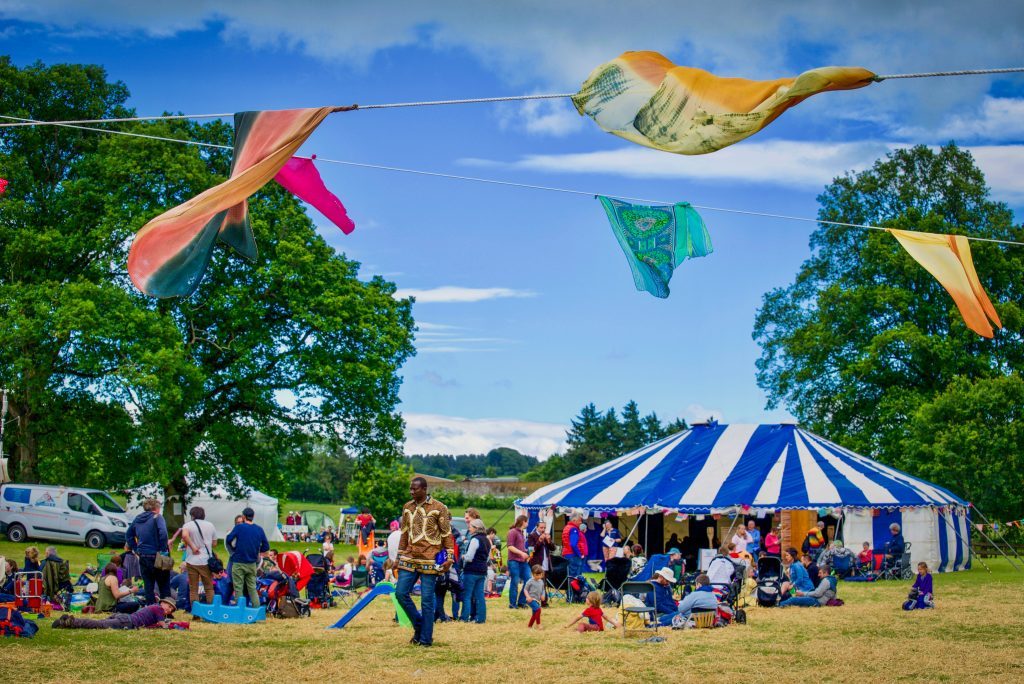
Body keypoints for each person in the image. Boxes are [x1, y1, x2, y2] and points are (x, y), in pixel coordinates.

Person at [396, 476, 454, 647]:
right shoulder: (407, 507)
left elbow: (446, 535)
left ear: (425, 489)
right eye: (410, 489)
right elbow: (404, 533)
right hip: (410, 556)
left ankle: (425, 639)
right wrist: (398, 556)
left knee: (427, 600)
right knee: (400, 593)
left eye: (415, 489)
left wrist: (449, 558)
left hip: (430, 558)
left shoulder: (439, 508)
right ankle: (419, 625)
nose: (412, 492)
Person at [127, 497, 171, 605]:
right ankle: (166, 610)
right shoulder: (157, 517)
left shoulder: (137, 519)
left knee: (148, 584)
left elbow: (128, 535)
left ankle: (151, 609)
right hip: (158, 554)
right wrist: (162, 548)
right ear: (156, 508)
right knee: (164, 583)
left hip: (143, 555)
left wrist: (136, 548)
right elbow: (163, 533)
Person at [226, 506, 269, 608]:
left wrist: (234, 548)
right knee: (252, 588)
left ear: (244, 516)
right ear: (253, 517)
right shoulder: (259, 529)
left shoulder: (239, 527)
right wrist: (258, 551)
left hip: (239, 562)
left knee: (238, 587)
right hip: (252, 564)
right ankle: (256, 609)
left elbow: (228, 539)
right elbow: (266, 546)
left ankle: (240, 609)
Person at [180, 506, 217, 618]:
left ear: (192, 515)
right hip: (206, 560)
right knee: (209, 588)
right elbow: (214, 543)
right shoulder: (210, 525)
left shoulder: (187, 525)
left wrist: (193, 546)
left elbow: (184, 535)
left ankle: (196, 613)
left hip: (192, 560)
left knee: (193, 589)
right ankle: (211, 612)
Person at [54, 597, 175, 630]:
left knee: (100, 623)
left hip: (124, 617)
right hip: (127, 621)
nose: (169, 610)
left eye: (171, 609)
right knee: (99, 625)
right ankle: (71, 622)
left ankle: (69, 620)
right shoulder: (159, 609)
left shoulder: (153, 607)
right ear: (162, 603)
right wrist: (171, 625)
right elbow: (163, 626)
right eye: (169, 606)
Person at [460, 518, 490, 624]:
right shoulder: (487, 540)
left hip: (471, 571)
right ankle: (481, 618)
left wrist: (463, 556)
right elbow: (488, 558)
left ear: (476, 528)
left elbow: (470, 557)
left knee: (467, 595)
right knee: (480, 595)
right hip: (482, 571)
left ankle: (464, 618)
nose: (469, 528)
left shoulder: (474, 539)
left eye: (471, 527)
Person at [506, 515, 530, 609]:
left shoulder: (521, 533)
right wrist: (521, 553)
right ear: (523, 522)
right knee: (515, 582)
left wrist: (525, 552)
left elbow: (519, 546)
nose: (527, 523)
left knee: (528, 580)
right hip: (514, 561)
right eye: (527, 521)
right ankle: (512, 604)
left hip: (522, 561)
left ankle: (521, 601)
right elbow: (510, 546)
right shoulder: (513, 532)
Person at [561, 513, 588, 579]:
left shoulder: (566, 527)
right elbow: (573, 544)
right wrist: (579, 554)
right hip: (574, 555)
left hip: (568, 553)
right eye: (579, 520)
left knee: (571, 575)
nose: (581, 522)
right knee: (576, 576)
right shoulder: (574, 529)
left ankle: (570, 589)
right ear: (574, 520)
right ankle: (573, 589)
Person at [523, 565, 546, 629]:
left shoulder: (541, 581)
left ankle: (529, 626)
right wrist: (528, 597)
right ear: (532, 574)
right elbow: (525, 589)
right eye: (537, 575)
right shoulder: (530, 581)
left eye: (540, 575)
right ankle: (538, 624)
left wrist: (543, 595)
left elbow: (543, 589)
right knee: (538, 609)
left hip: (537, 600)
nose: (539, 576)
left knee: (535, 613)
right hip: (531, 600)